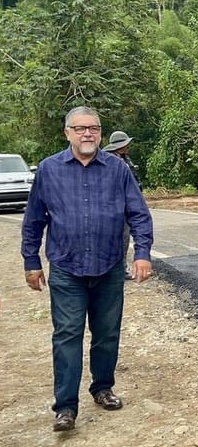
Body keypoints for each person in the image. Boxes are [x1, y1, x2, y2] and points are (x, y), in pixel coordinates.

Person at [21, 106, 154, 432]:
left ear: (100, 133)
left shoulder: (117, 169)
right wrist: (31, 261)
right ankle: (65, 407)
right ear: (67, 132)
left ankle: (103, 388)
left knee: (107, 334)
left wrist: (143, 253)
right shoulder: (49, 171)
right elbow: (34, 220)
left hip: (108, 267)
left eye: (93, 128)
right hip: (67, 268)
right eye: (79, 128)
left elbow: (138, 213)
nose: (87, 134)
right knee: (67, 336)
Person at [103, 130, 142, 280]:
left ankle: (120, 268)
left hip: (127, 205)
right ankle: (116, 270)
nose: (128, 147)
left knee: (124, 238)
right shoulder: (111, 162)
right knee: (119, 238)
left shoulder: (124, 159)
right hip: (116, 207)